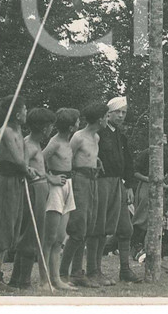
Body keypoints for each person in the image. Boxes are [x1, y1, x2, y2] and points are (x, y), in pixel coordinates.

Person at [0, 96, 31, 290]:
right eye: (25, 109)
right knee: (1, 228)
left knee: (11, 227)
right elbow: (19, 160)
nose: (27, 112)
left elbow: (24, 159)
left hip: (16, 182)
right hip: (5, 182)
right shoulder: (4, 131)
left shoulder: (19, 131)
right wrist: (28, 170)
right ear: (17, 112)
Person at [61, 102, 108, 288]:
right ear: (99, 119)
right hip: (79, 181)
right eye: (106, 116)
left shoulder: (96, 137)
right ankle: (63, 273)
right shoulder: (78, 137)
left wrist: (96, 160)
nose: (107, 119)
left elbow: (89, 156)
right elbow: (67, 158)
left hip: (93, 182)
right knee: (78, 227)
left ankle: (77, 272)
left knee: (88, 227)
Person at [95, 97, 141, 284]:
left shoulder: (121, 136)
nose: (121, 116)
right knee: (100, 228)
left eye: (124, 112)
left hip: (119, 186)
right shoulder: (99, 133)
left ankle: (125, 269)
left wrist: (129, 185)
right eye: (117, 112)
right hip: (102, 184)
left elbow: (128, 163)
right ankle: (94, 270)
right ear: (108, 113)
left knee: (126, 228)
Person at [9, 106, 55, 289]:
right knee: (31, 234)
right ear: (45, 128)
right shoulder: (29, 144)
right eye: (50, 126)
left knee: (34, 234)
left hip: (41, 190)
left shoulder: (36, 144)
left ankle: (18, 279)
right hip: (34, 191)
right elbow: (23, 167)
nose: (51, 130)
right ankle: (23, 280)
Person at [43, 108, 80, 291]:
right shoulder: (55, 142)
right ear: (72, 126)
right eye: (77, 121)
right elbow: (36, 160)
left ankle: (56, 278)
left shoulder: (68, 142)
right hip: (56, 187)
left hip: (68, 186)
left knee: (59, 237)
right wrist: (50, 178)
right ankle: (45, 280)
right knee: (49, 238)